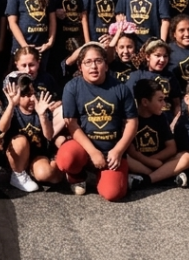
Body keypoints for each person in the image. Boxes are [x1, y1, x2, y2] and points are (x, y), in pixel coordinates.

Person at [56, 42, 138, 200]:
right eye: (88, 62)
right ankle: (77, 176)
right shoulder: (72, 87)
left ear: (106, 66)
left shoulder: (121, 88)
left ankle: (103, 174)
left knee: (113, 193)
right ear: (80, 67)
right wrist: (93, 152)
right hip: (84, 147)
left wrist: (118, 151)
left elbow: (132, 123)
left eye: (98, 61)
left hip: (111, 150)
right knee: (66, 159)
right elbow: (71, 124)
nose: (93, 66)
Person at [0, 74, 62, 192]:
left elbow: (48, 136)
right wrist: (11, 105)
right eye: (27, 95)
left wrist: (42, 115)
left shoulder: (40, 108)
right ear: (19, 97)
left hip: (36, 155)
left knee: (47, 174)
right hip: (17, 154)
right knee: (20, 140)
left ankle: (32, 173)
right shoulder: (13, 110)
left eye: (33, 93)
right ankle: (18, 175)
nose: (32, 98)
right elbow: (2, 128)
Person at [126, 78, 189, 190]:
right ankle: (166, 177)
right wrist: (151, 162)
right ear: (145, 102)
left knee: (187, 157)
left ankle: (146, 180)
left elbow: (171, 148)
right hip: (139, 163)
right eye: (160, 100)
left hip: (158, 161)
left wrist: (153, 160)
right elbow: (132, 152)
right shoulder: (131, 119)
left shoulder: (161, 117)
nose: (164, 104)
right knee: (125, 159)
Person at [6, 0, 56, 64]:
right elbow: (12, 23)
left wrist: (50, 42)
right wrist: (24, 45)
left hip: (42, 46)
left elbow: (52, 19)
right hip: (22, 46)